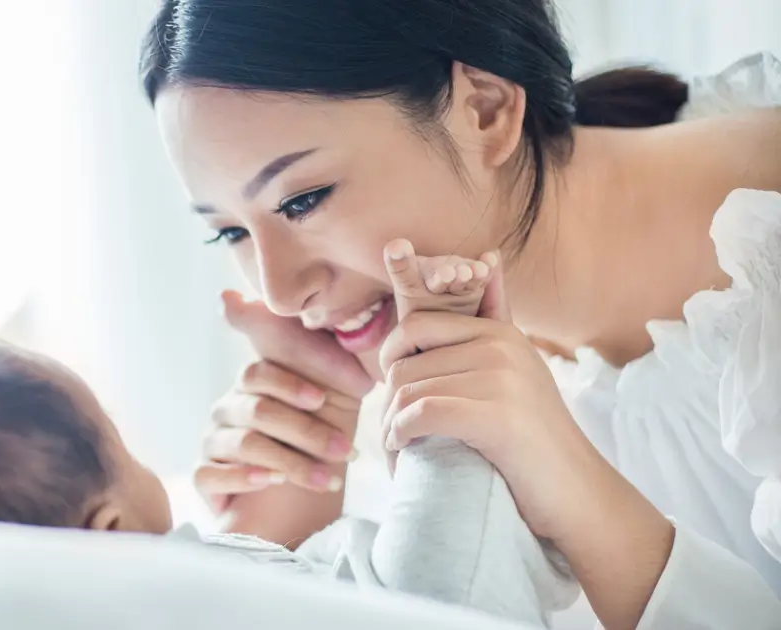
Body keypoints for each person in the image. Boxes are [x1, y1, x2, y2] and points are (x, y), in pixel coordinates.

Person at [138, 1, 781, 628]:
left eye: (304, 199)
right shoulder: (448, 381)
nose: (279, 294)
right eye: (230, 233)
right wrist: (291, 533)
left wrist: (577, 489)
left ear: (485, 109)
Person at [0, 254, 578, 628]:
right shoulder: (168, 584)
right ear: (108, 535)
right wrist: (437, 380)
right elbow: (431, 599)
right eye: (120, 442)